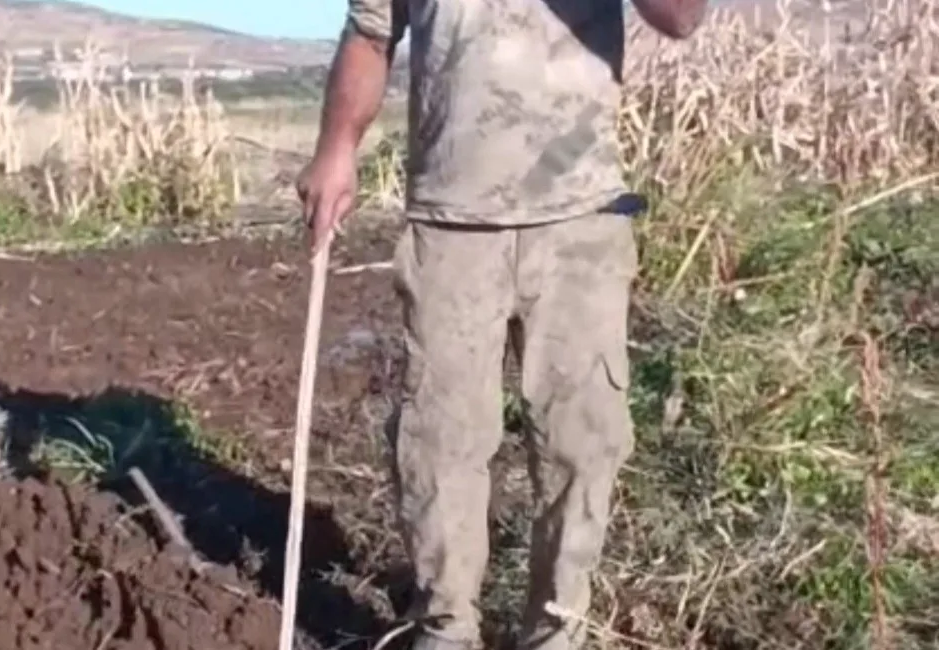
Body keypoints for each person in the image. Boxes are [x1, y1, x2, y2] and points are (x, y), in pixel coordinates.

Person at [296, 0, 706, 648]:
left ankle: (558, 628)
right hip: (451, 222)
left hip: (580, 216)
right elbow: (370, 37)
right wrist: (336, 148)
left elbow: (682, 18)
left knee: (582, 439)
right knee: (440, 436)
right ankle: (445, 627)